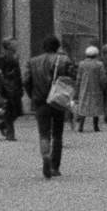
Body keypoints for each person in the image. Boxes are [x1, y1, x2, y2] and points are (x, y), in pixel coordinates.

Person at [23, 35, 76, 179]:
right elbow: (73, 78)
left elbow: (26, 80)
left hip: (40, 101)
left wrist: (32, 95)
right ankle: (55, 166)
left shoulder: (32, 62)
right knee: (57, 134)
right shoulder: (64, 60)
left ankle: (45, 156)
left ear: (44, 46)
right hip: (58, 100)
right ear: (57, 46)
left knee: (44, 133)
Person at [74, 45, 107, 132]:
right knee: (96, 105)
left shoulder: (81, 64)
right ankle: (95, 126)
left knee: (83, 105)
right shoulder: (99, 64)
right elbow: (102, 77)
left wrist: (77, 88)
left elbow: (78, 77)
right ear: (96, 54)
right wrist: (103, 86)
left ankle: (81, 126)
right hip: (96, 87)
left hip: (84, 87)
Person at [0, 39, 23, 140]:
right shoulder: (2, 56)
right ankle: (10, 133)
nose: (16, 44)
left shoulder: (15, 55)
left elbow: (18, 73)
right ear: (8, 45)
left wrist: (20, 86)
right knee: (10, 109)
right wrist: (1, 86)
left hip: (15, 85)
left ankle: (2, 125)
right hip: (7, 86)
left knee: (17, 111)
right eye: (13, 43)